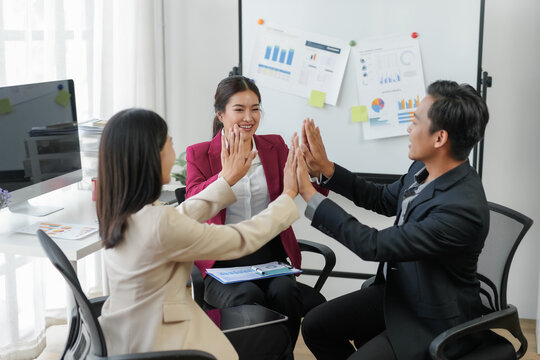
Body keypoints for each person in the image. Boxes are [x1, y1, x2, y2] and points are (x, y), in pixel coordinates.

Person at [294, 80, 490, 360]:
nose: (409, 129)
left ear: (439, 138)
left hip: (431, 321)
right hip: (400, 294)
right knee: (315, 326)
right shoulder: (423, 167)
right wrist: (327, 169)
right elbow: (382, 198)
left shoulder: (461, 208)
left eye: (416, 121)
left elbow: (372, 245)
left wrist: (309, 195)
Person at [97, 108, 301, 360]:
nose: (174, 151)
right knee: (276, 338)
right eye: (169, 143)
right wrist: (288, 196)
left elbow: (182, 213)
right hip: (165, 342)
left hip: (127, 334)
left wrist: (226, 179)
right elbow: (240, 240)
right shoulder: (160, 222)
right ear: (152, 156)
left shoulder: (121, 211)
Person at [186, 75, 328, 349]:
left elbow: (308, 187)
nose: (249, 117)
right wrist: (226, 177)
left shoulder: (274, 146)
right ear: (220, 114)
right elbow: (193, 203)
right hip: (222, 261)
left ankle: (283, 356)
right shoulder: (200, 154)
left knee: (285, 292)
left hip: (269, 256)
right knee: (247, 296)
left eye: (255, 108)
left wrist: (317, 170)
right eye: (239, 109)